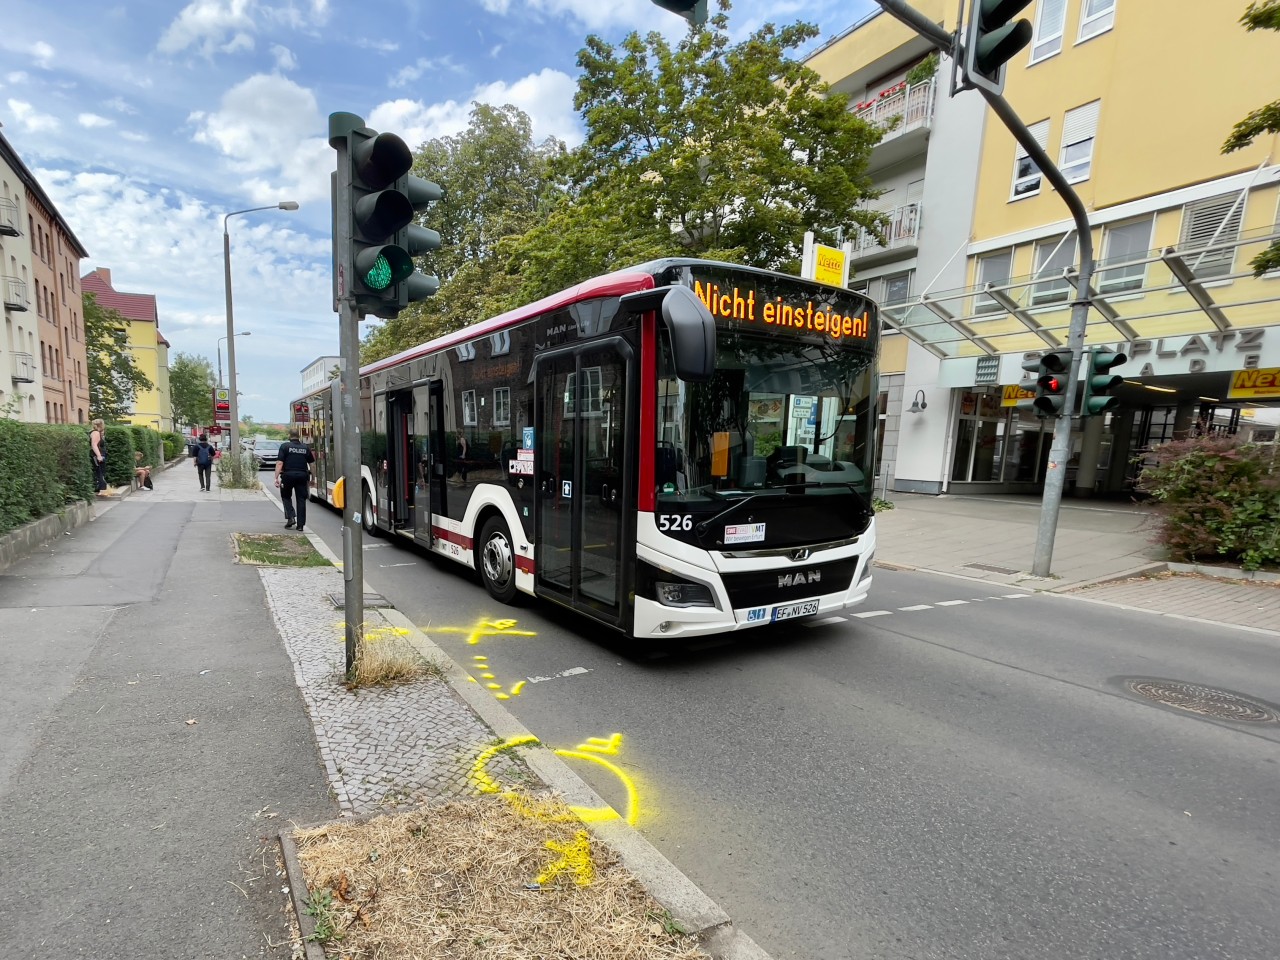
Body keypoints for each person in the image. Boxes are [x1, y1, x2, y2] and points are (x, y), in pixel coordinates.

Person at [275, 429, 315, 531]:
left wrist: (276, 477)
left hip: (288, 475)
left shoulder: (285, 446)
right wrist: (313, 478)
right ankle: (300, 525)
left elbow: (280, 463)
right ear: (299, 436)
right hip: (302, 476)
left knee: (286, 496)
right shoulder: (305, 448)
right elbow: (312, 464)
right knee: (301, 499)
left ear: (289, 435)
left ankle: (291, 517)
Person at [90, 419, 107, 494]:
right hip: (97, 455)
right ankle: (102, 490)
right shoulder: (96, 433)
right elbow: (94, 445)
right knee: (100, 472)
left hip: (97, 455)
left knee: (100, 472)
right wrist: (99, 455)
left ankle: (101, 489)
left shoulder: (95, 432)